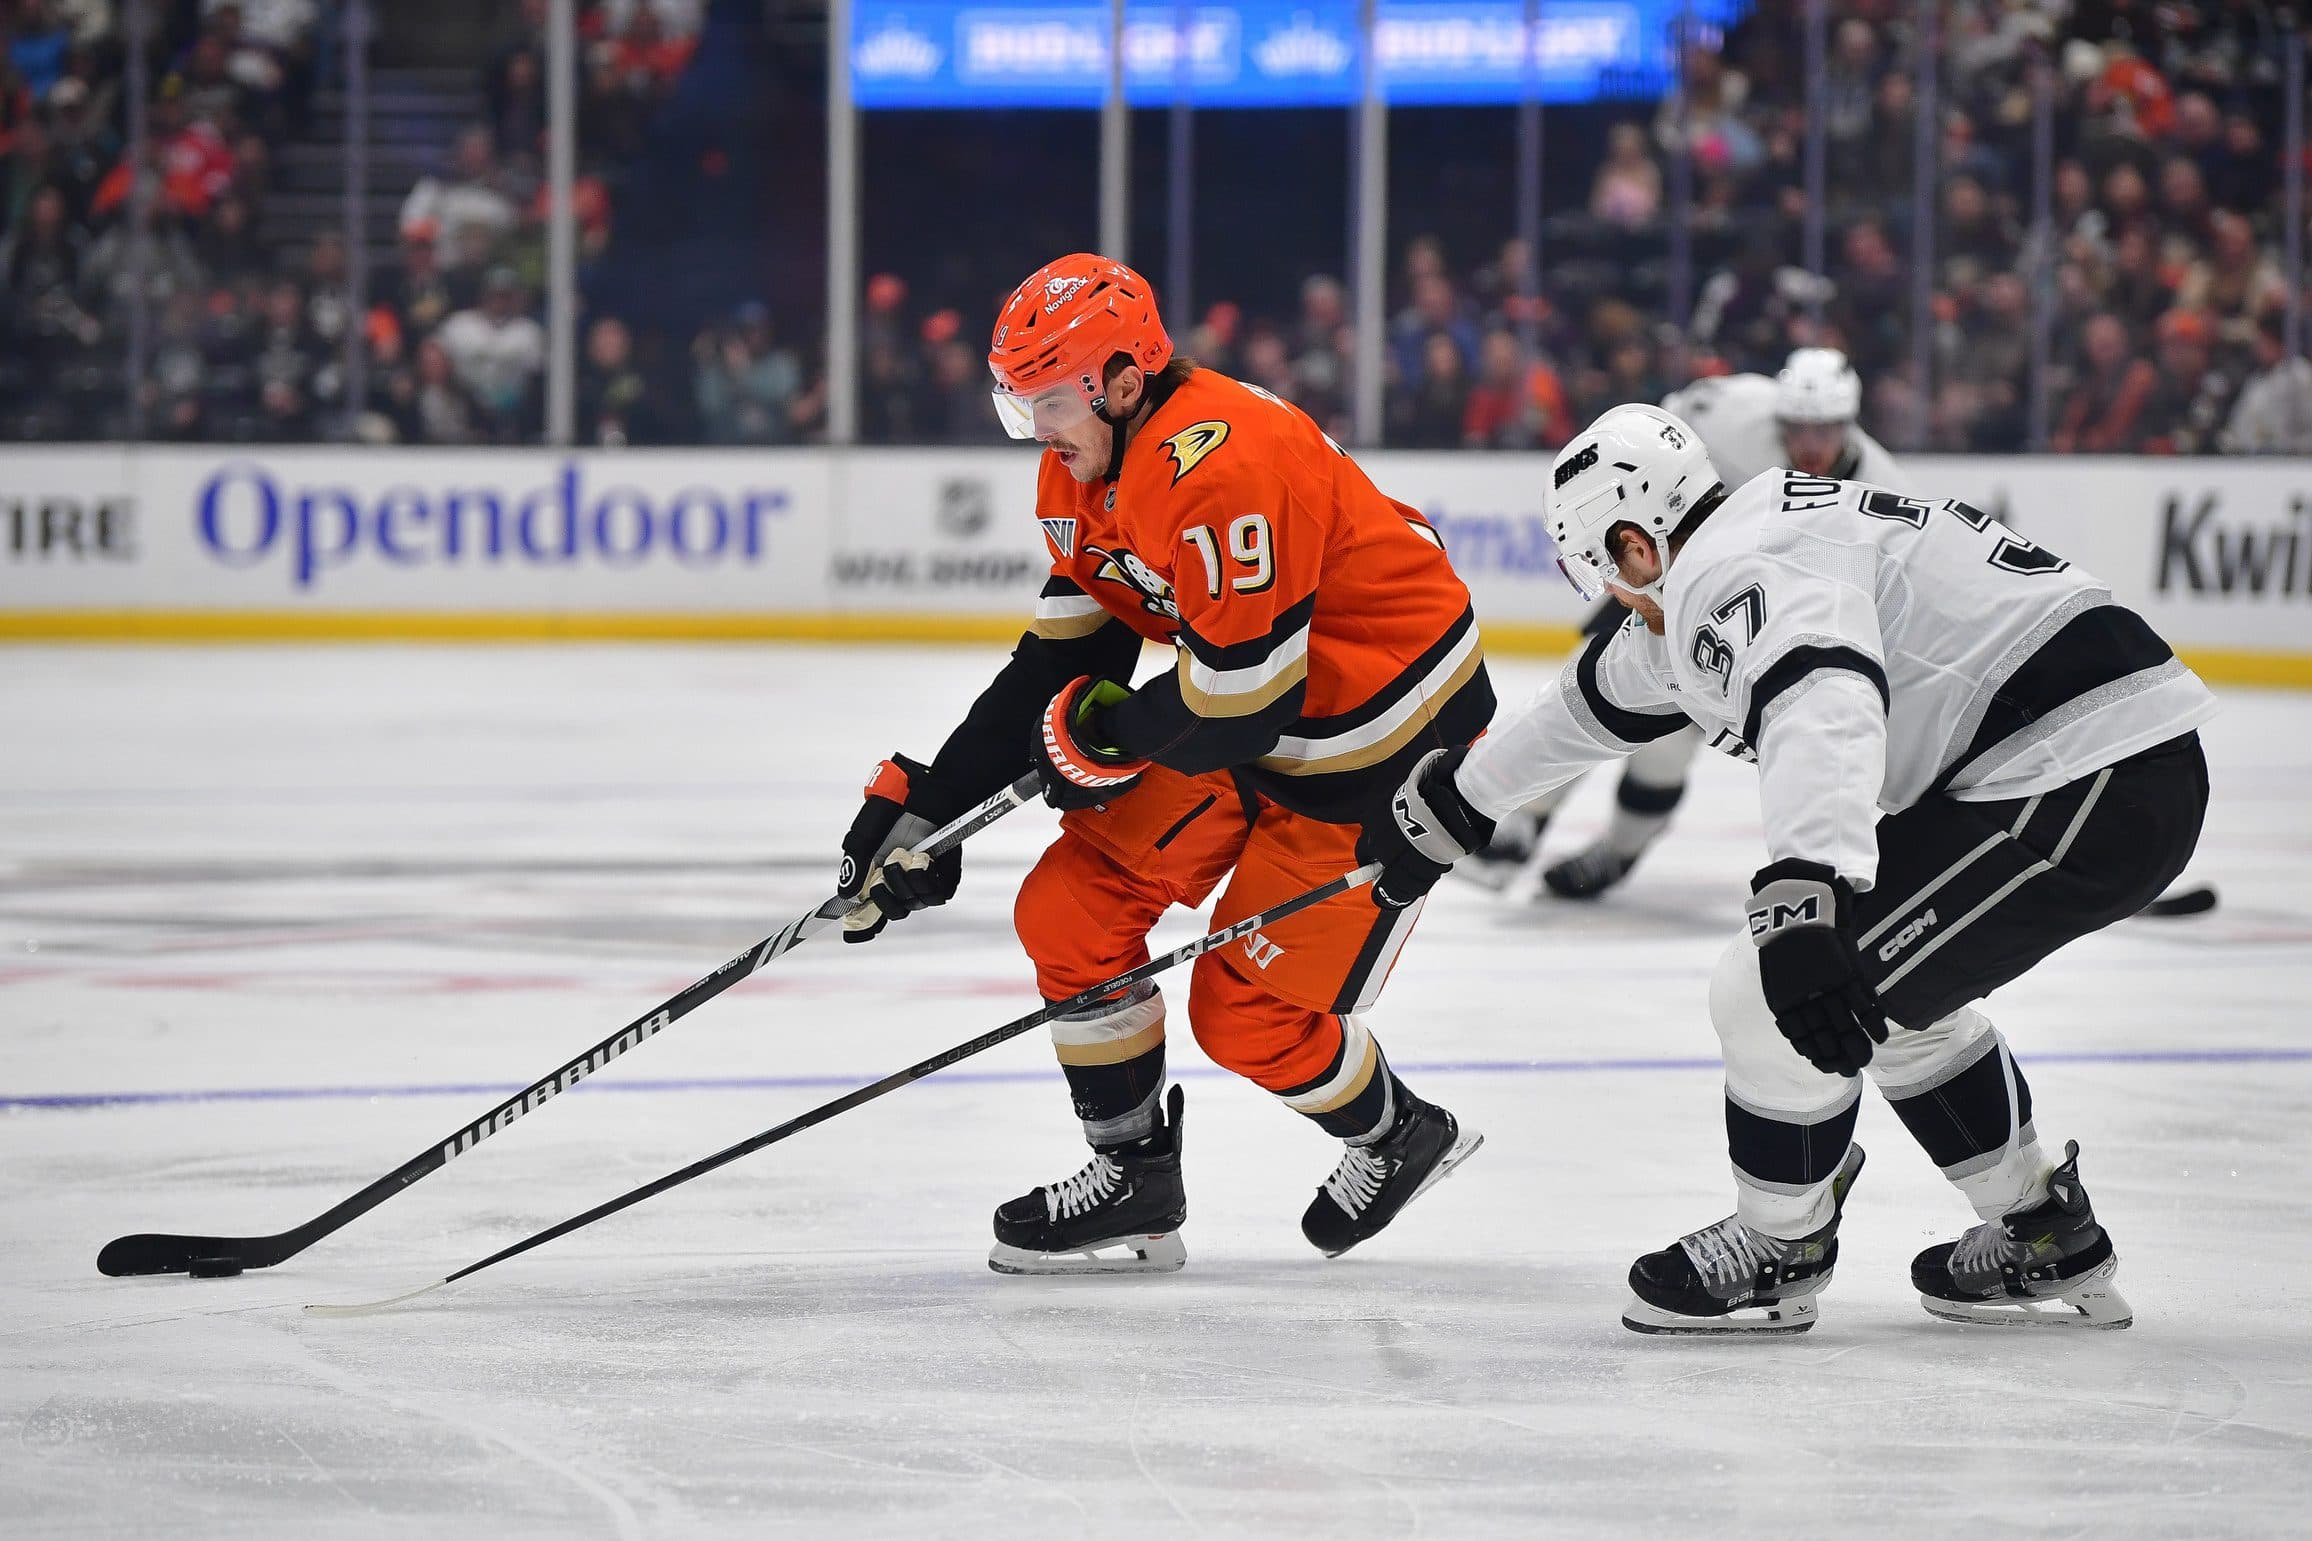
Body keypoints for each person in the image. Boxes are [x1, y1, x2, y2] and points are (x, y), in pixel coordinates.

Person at [1360, 404, 2215, 1333]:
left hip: (2082, 774)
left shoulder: (1734, 573)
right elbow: (1591, 701)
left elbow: (1825, 696)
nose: (1622, 606)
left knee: (1770, 993)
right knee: (1887, 1009)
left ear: (1637, 546)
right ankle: (2045, 1231)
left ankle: (1782, 1241)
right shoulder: (1747, 542)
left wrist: (1809, 888)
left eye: (1611, 579)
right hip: (2093, 761)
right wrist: (1459, 803)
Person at [830, 255, 1493, 1275]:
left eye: (1046, 399)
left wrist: (1100, 740)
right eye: (1018, 404)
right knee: (1067, 908)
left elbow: (1238, 699)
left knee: (1244, 1014)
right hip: (1255, 710)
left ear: (1123, 380)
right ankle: (1134, 1181)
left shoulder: (1224, 466)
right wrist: (928, 806)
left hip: (1379, 742)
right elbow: (1064, 656)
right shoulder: (1081, 464)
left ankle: (1396, 1130)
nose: (1034, 429)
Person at [1469, 347, 1903, 898]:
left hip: (1768, 619)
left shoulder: (1884, 487)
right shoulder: (1731, 411)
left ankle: (1620, 851)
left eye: (1826, 429)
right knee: (1593, 689)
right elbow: (1647, 433)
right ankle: (1528, 818)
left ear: (1850, 424)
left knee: (1666, 746)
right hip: (1663, 570)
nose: (1810, 445)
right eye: (1797, 427)